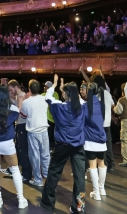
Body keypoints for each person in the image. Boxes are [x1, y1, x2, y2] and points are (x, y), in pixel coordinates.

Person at [41, 75, 86, 213]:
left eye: (63, 92)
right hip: (78, 145)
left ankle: (48, 202)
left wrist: (54, 85)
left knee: (54, 172)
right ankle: (79, 207)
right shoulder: (83, 107)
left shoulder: (58, 106)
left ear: (66, 94)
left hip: (62, 145)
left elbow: (48, 97)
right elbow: (78, 99)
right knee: (79, 177)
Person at [0, 85, 28, 209]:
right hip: (7, 144)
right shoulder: (13, 109)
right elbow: (18, 115)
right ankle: (21, 199)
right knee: (15, 170)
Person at [20, 79, 49, 188]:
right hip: (44, 131)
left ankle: (38, 179)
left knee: (35, 156)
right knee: (45, 155)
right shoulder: (45, 98)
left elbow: (23, 116)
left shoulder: (26, 102)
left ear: (29, 89)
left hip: (33, 132)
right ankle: (47, 177)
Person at [83, 82, 108, 201]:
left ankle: (96, 192)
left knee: (92, 165)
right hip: (102, 139)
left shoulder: (85, 105)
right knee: (101, 164)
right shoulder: (100, 103)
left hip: (90, 140)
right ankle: (102, 189)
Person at [9, 79, 32, 182]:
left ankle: (26, 174)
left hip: (22, 125)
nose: (11, 92)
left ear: (15, 87)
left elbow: (20, 111)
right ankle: (24, 172)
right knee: (21, 149)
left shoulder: (21, 96)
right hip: (22, 125)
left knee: (22, 150)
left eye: (11, 89)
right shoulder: (21, 95)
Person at [114, 82, 127, 167]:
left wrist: (113, 108)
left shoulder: (122, 100)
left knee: (125, 140)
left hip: (126, 121)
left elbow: (118, 111)